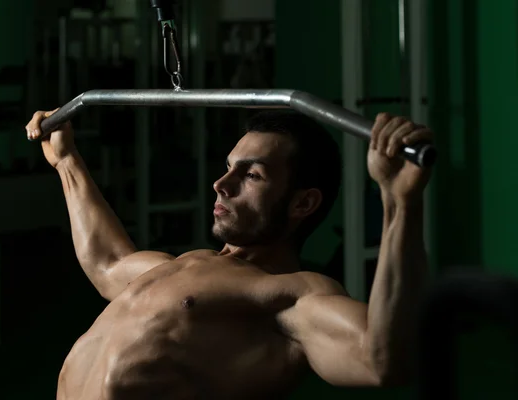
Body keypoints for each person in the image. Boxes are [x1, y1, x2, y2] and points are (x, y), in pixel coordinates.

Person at [25, 108, 433, 400]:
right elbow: (107, 263)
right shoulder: (183, 265)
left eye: (251, 175)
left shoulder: (289, 297)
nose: (222, 183)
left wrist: (399, 203)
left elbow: (381, 359)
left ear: (302, 204)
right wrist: (66, 161)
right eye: (229, 166)